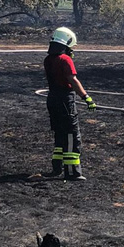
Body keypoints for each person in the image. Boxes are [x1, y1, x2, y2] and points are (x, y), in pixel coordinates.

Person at [43, 26, 95, 181]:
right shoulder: (65, 60)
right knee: (71, 135)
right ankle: (72, 172)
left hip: (52, 99)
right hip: (65, 100)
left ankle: (57, 167)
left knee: (59, 133)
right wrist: (86, 98)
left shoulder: (48, 60)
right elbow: (72, 80)